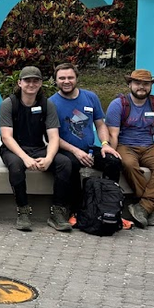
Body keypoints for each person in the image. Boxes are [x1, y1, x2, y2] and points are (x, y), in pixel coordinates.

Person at [0, 66, 73, 232]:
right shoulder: (9, 104)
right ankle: (23, 211)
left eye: (35, 80)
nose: (31, 84)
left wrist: (49, 158)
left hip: (38, 147)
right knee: (16, 166)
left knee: (64, 163)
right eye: (27, 80)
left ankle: (57, 212)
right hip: (13, 149)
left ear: (40, 84)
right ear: (19, 82)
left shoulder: (47, 105)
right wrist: (25, 158)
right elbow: (6, 137)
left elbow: (53, 137)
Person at [49, 62, 123, 215]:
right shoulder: (51, 103)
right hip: (65, 150)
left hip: (89, 149)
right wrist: (76, 151)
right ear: (55, 80)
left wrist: (105, 144)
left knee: (113, 161)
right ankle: (77, 211)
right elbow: (53, 137)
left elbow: (101, 125)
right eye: (62, 78)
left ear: (77, 78)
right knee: (71, 166)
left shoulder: (90, 97)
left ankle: (109, 207)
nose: (66, 81)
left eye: (70, 77)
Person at [105, 68, 154, 228]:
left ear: (151, 85)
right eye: (137, 83)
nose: (141, 87)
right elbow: (113, 135)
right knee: (128, 164)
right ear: (129, 84)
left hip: (149, 146)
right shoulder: (118, 105)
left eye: (146, 84)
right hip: (125, 145)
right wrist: (112, 157)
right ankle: (151, 205)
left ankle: (143, 206)